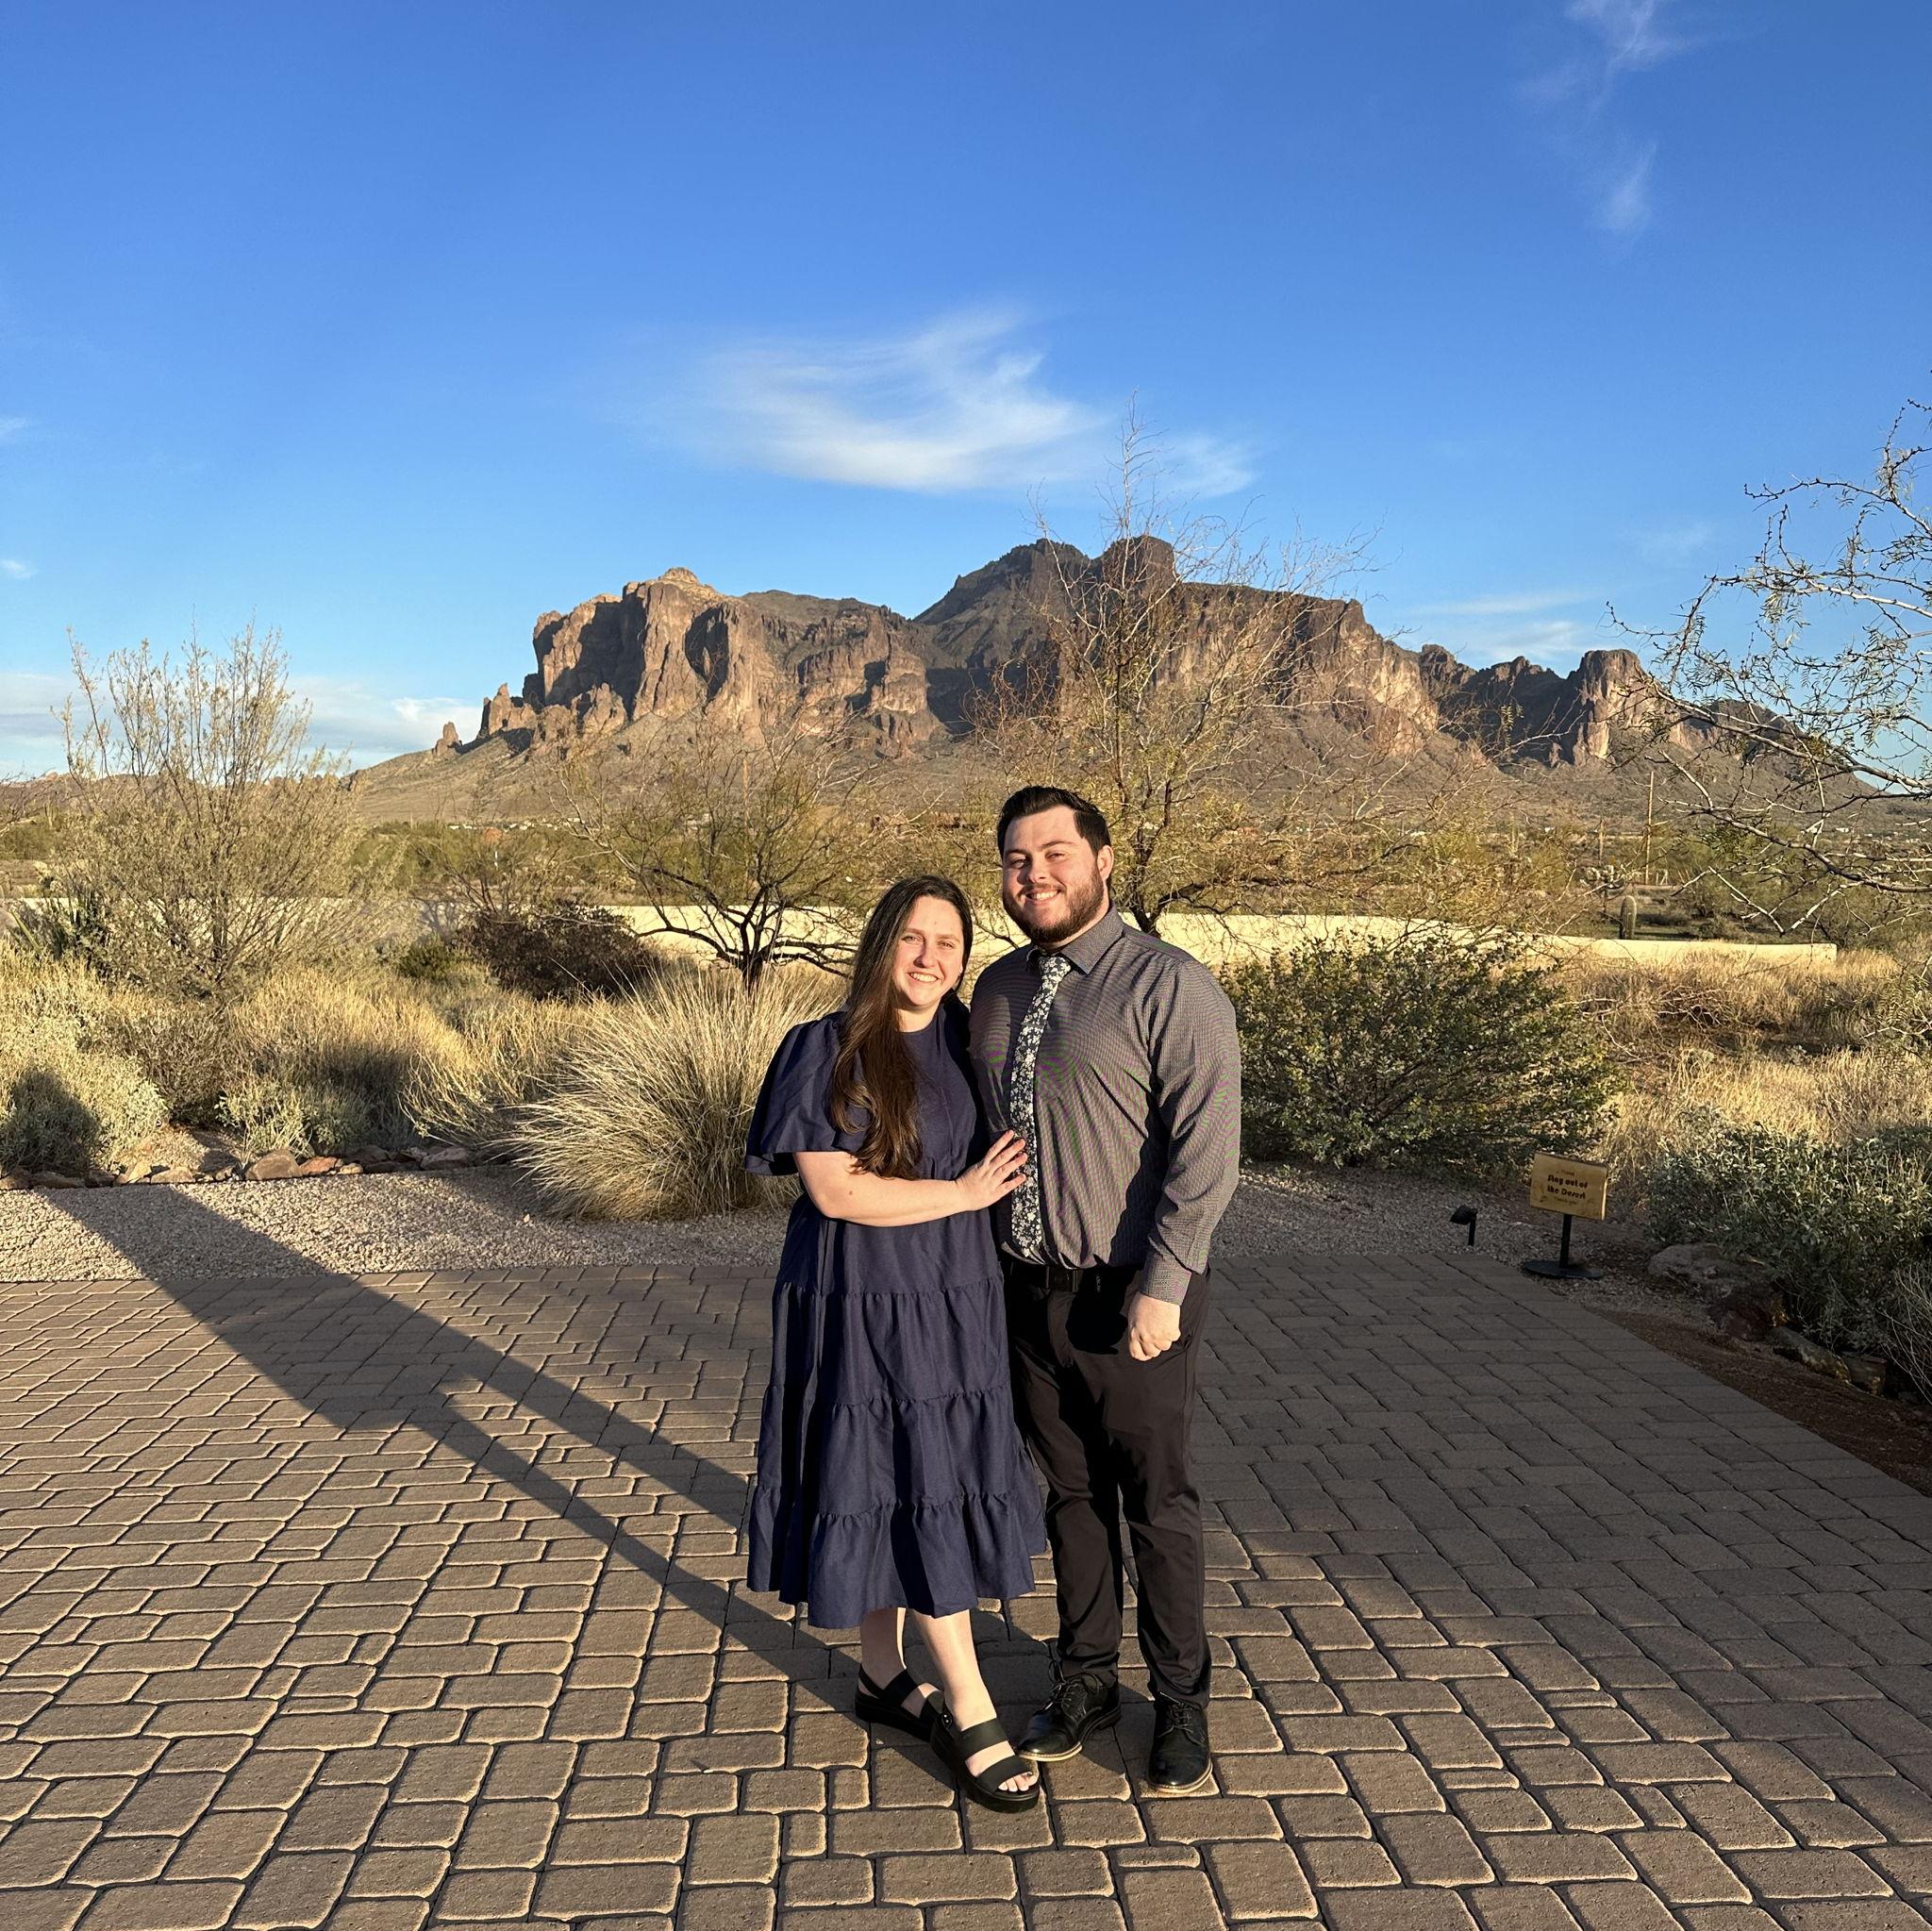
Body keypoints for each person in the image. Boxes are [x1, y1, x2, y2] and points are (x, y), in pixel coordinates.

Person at [743, 874, 1048, 1811]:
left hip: (953, 1295)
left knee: (893, 1474)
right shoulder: (825, 1048)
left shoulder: (965, 1042)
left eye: (949, 941)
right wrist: (960, 1194)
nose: (930, 957)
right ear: (880, 944)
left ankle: (881, 1674)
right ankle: (967, 1700)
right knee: (918, 1483)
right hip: (862, 1296)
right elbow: (835, 1191)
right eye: (912, 937)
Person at [968, 785, 1241, 1797]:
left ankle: (1181, 1700)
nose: (1032, 873)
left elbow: (1205, 1154)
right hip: (1025, 1292)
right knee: (1071, 1497)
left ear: (1102, 860)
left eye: (1051, 853)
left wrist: (1163, 1285)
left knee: (1154, 1504)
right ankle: (1084, 1678)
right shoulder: (994, 990)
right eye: (1013, 859)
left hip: (1133, 1294)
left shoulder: (1168, 987)